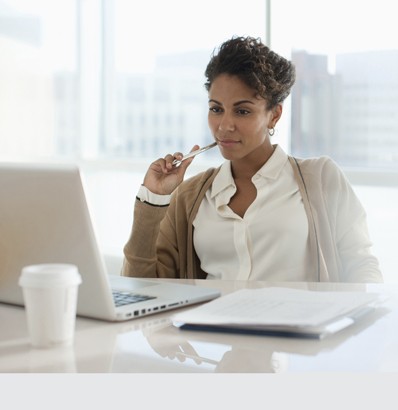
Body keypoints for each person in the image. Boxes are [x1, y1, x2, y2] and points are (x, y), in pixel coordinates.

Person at [122, 36, 382, 283]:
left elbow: (362, 267)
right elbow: (142, 288)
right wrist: (154, 198)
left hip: (296, 328)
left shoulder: (321, 178)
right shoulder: (190, 197)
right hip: (209, 330)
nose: (224, 126)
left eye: (242, 111)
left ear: (274, 115)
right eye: (216, 109)